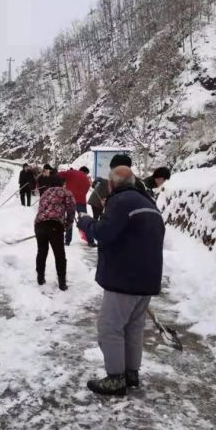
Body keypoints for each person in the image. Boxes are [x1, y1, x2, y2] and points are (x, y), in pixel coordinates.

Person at [77, 166, 165, 395]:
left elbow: (104, 233)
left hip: (125, 279)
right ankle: (130, 373)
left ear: (112, 184)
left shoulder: (120, 202)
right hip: (148, 279)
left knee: (109, 327)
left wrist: (86, 222)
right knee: (133, 328)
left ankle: (115, 378)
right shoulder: (149, 204)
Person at [34, 175, 76, 291]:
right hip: (54, 225)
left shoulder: (45, 193)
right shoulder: (65, 192)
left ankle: (40, 277)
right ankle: (62, 283)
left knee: (42, 251)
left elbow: (41, 209)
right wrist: (68, 225)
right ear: (62, 183)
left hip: (39, 225)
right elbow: (71, 209)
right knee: (59, 255)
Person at [87, 154, 133, 220]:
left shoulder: (120, 185)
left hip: (102, 201)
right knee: (97, 217)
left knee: (103, 217)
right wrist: (95, 182)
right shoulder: (107, 182)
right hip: (96, 201)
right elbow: (98, 178)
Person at [58, 166, 93, 246]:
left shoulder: (72, 172)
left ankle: (67, 241)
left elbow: (59, 174)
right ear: (86, 172)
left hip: (70, 200)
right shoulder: (87, 180)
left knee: (69, 220)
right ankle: (91, 241)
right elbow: (86, 191)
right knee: (85, 220)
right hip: (81, 202)